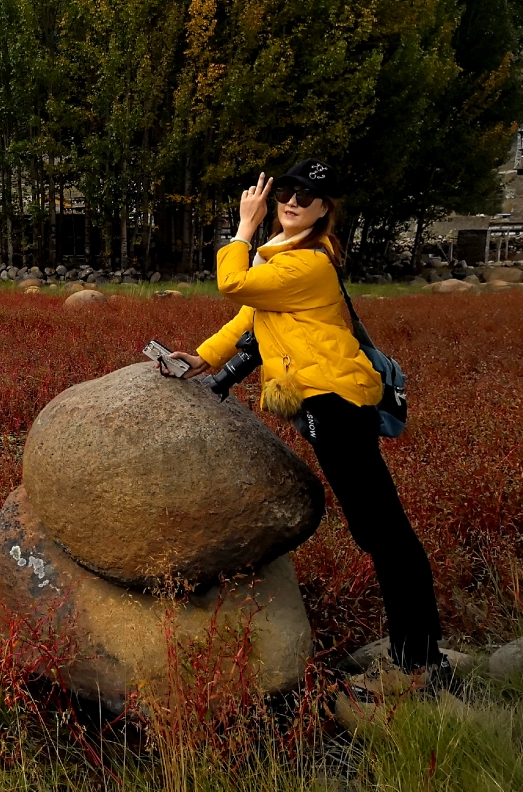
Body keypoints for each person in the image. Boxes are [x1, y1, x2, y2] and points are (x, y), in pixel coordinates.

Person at [165, 159, 450, 684]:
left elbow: (234, 285)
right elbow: (249, 316)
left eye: (307, 196)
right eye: (287, 193)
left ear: (324, 210)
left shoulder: (309, 264)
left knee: (384, 534)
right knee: (379, 530)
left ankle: (421, 661)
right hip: (326, 400)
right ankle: (420, 653)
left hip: (336, 403)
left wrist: (243, 229)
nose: (293, 202)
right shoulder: (283, 260)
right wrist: (205, 358)